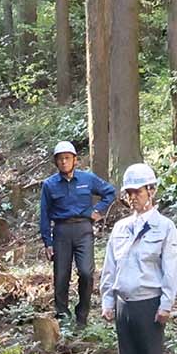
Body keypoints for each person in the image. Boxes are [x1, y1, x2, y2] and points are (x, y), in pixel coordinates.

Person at [99, 163, 177, 354]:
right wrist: (107, 300)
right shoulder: (121, 228)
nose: (133, 197)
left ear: (151, 191)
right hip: (124, 304)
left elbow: (171, 269)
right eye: (129, 192)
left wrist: (166, 304)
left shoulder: (164, 227)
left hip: (149, 303)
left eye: (138, 191)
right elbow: (110, 268)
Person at [38, 140, 116, 330]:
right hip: (61, 231)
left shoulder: (87, 179)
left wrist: (97, 211)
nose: (64, 162)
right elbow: (44, 215)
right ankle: (63, 316)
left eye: (67, 158)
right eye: (60, 159)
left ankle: (82, 316)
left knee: (87, 273)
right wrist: (47, 242)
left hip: (83, 230)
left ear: (75, 160)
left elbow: (109, 192)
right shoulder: (49, 185)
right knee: (61, 275)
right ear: (56, 163)